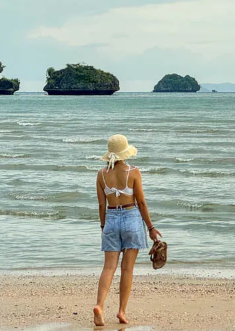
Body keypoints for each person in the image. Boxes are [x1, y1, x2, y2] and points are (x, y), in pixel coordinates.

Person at [93, 134, 162, 326]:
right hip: (131, 218)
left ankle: (99, 305)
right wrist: (151, 227)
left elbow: (101, 205)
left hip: (111, 219)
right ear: (125, 152)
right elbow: (141, 202)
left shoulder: (101, 174)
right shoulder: (133, 172)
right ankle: (122, 312)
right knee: (127, 269)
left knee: (108, 267)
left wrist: (103, 226)